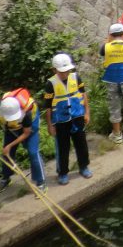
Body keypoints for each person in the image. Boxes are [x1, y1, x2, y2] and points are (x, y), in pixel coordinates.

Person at [0, 87, 46, 194]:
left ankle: (41, 182)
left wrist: (10, 145)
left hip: (29, 127)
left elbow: (26, 133)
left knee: (33, 152)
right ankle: (6, 178)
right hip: (10, 128)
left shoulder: (27, 113)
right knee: (6, 154)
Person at [42, 53, 91, 185]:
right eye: (62, 71)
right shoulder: (50, 84)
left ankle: (83, 166)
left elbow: (83, 95)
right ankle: (62, 173)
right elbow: (48, 107)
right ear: (54, 70)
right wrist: (50, 125)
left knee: (81, 144)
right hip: (60, 121)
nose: (65, 73)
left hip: (77, 116)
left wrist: (87, 112)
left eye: (67, 70)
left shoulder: (76, 77)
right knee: (63, 147)